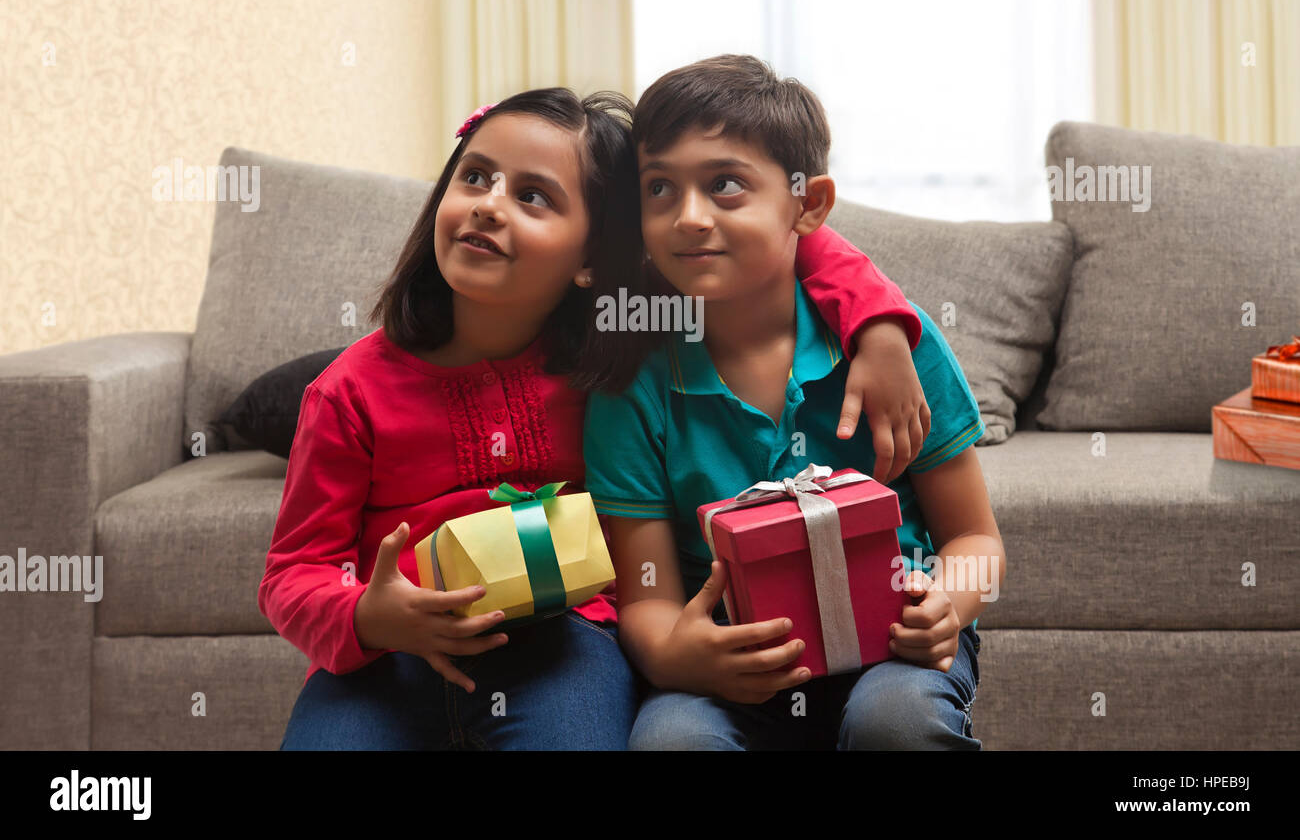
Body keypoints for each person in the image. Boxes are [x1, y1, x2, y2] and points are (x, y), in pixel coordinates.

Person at [258, 86, 931, 750]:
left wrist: (878, 323)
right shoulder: (346, 391)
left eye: (532, 196)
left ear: (592, 258)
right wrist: (366, 616)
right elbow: (291, 573)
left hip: (564, 638)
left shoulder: (618, 356)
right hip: (387, 658)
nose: (489, 204)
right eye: (475, 177)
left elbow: (783, 240)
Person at [583, 55, 1007, 750]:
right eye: (660, 187)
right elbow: (648, 596)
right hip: (726, 663)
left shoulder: (899, 345)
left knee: (893, 722)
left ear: (807, 204)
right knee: (671, 742)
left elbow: (975, 539)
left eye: (724, 185)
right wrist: (677, 653)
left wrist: (949, 605)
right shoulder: (632, 377)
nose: (688, 217)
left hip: (892, 650)